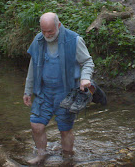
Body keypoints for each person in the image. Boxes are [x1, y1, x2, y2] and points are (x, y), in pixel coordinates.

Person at [22, 12, 94, 164]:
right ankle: (41, 155)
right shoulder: (38, 40)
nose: (47, 35)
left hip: (66, 92)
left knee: (65, 129)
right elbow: (32, 67)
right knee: (36, 124)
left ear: (58, 26)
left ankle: (67, 158)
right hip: (44, 91)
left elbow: (87, 62)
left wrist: (85, 77)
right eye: (44, 31)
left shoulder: (74, 40)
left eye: (50, 31)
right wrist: (28, 90)